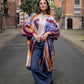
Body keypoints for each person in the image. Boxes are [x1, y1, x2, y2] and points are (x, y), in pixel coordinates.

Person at [22, 0, 60, 84]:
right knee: (34, 66)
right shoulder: (34, 16)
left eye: (44, 3)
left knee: (46, 64)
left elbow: (57, 30)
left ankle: (44, 81)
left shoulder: (50, 18)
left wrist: (48, 33)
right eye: (40, 3)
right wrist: (33, 34)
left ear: (47, 5)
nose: (42, 5)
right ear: (39, 6)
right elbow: (25, 25)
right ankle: (48, 81)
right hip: (36, 43)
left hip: (46, 44)